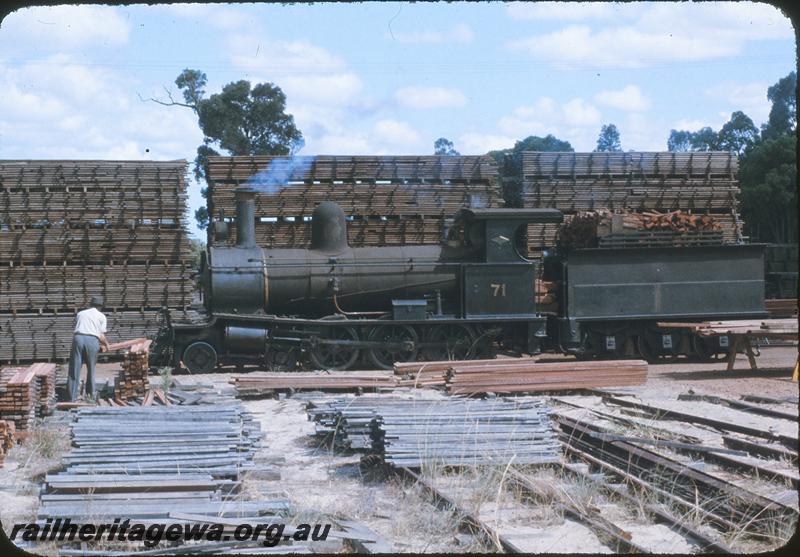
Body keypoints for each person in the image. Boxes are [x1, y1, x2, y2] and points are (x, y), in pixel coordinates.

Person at [67, 296, 110, 402]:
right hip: (92, 340)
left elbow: (80, 327)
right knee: (91, 368)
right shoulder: (101, 316)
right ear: (100, 306)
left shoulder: (81, 313)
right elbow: (101, 336)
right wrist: (107, 345)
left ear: (91, 304)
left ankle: (71, 397)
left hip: (78, 339)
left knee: (74, 368)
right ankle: (90, 396)